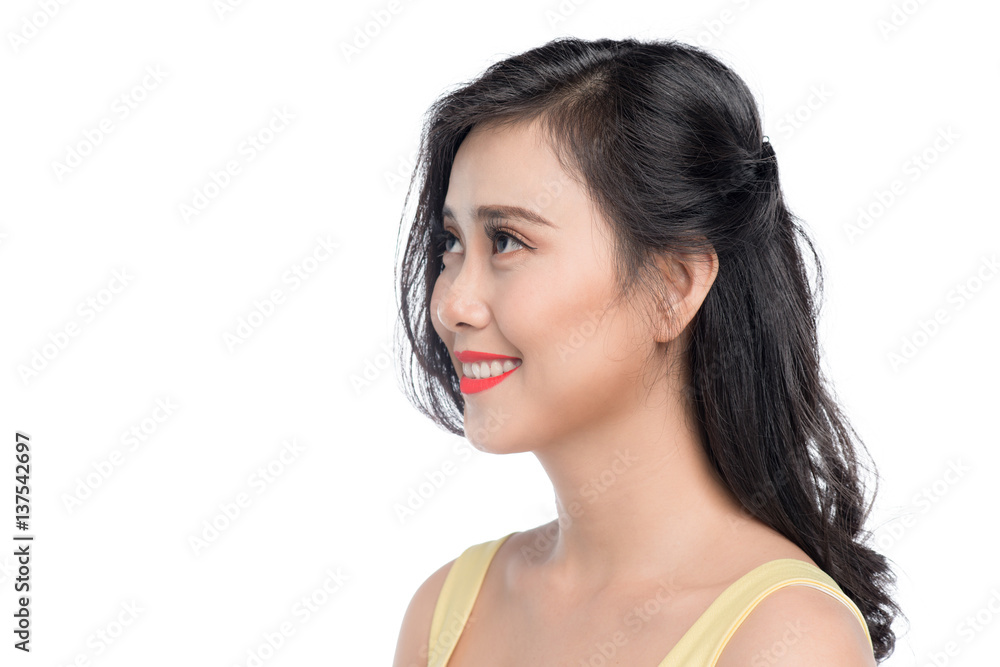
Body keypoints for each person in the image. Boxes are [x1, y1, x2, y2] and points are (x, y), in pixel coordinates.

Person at [391, 36, 903, 666]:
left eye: (507, 240)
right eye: (451, 242)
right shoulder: (446, 612)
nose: (451, 304)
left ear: (674, 285)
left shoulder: (784, 639)